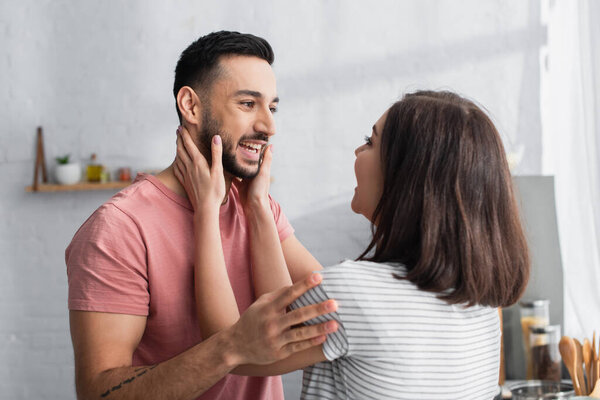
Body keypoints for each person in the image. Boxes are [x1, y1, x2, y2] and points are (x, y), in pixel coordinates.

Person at [175, 90, 531, 399]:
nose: (358, 150)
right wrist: (258, 206)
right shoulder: (481, 307)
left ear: (407, 177)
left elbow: (228, 346)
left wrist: (207, 208)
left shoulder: (357, 294)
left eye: (371, 141)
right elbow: (290, 303)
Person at [66, 31, 336, 400]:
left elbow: (323, 313)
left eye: (272, 108)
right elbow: (99, 392)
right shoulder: (119, 228)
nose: (269, 126)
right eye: (247, 104)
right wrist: (230, 348)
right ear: (191, 106)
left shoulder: (259, 206)